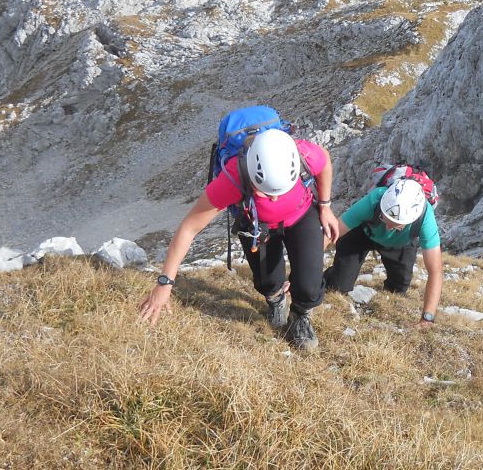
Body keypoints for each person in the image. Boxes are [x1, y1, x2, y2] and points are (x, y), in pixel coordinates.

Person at [139, 128, 340, 349]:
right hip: (256, 224)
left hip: (301, 217)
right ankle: (275, 299)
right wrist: (164, 284)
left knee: (310, 283)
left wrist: (325, 206)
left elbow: (325, 161)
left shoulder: (303, 154)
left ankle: (300, 316)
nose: (273, 198)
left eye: (280, 190)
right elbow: (189, 228)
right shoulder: (233, 178)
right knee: (268, 281)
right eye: (264, 191)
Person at [324, 178, 442, 328]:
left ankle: (388, 291)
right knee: (339, 286)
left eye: (396, 225)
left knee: (398, 289)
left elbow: (435, 271)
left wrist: (428, 318)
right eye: (384, 218)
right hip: (362, 235)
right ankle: (331, 276)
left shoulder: (425, 218)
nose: (387, 227)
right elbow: (330, 234)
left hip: (399, 244)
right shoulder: (374, 200)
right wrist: (302, 278)